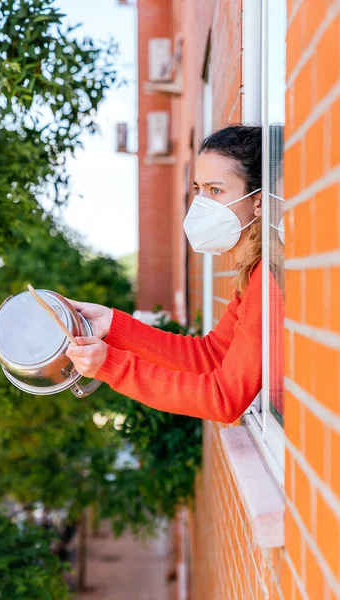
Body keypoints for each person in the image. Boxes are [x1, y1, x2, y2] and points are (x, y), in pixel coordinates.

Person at [66, 125, 284, 423]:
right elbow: (209, 356)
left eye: (215, 190)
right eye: (198, 190)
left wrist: (112, 365)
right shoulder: (254, 277)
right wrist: (113, 325)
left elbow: (224, 398)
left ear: (258, 202)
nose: (201, 203)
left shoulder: (268, 282)